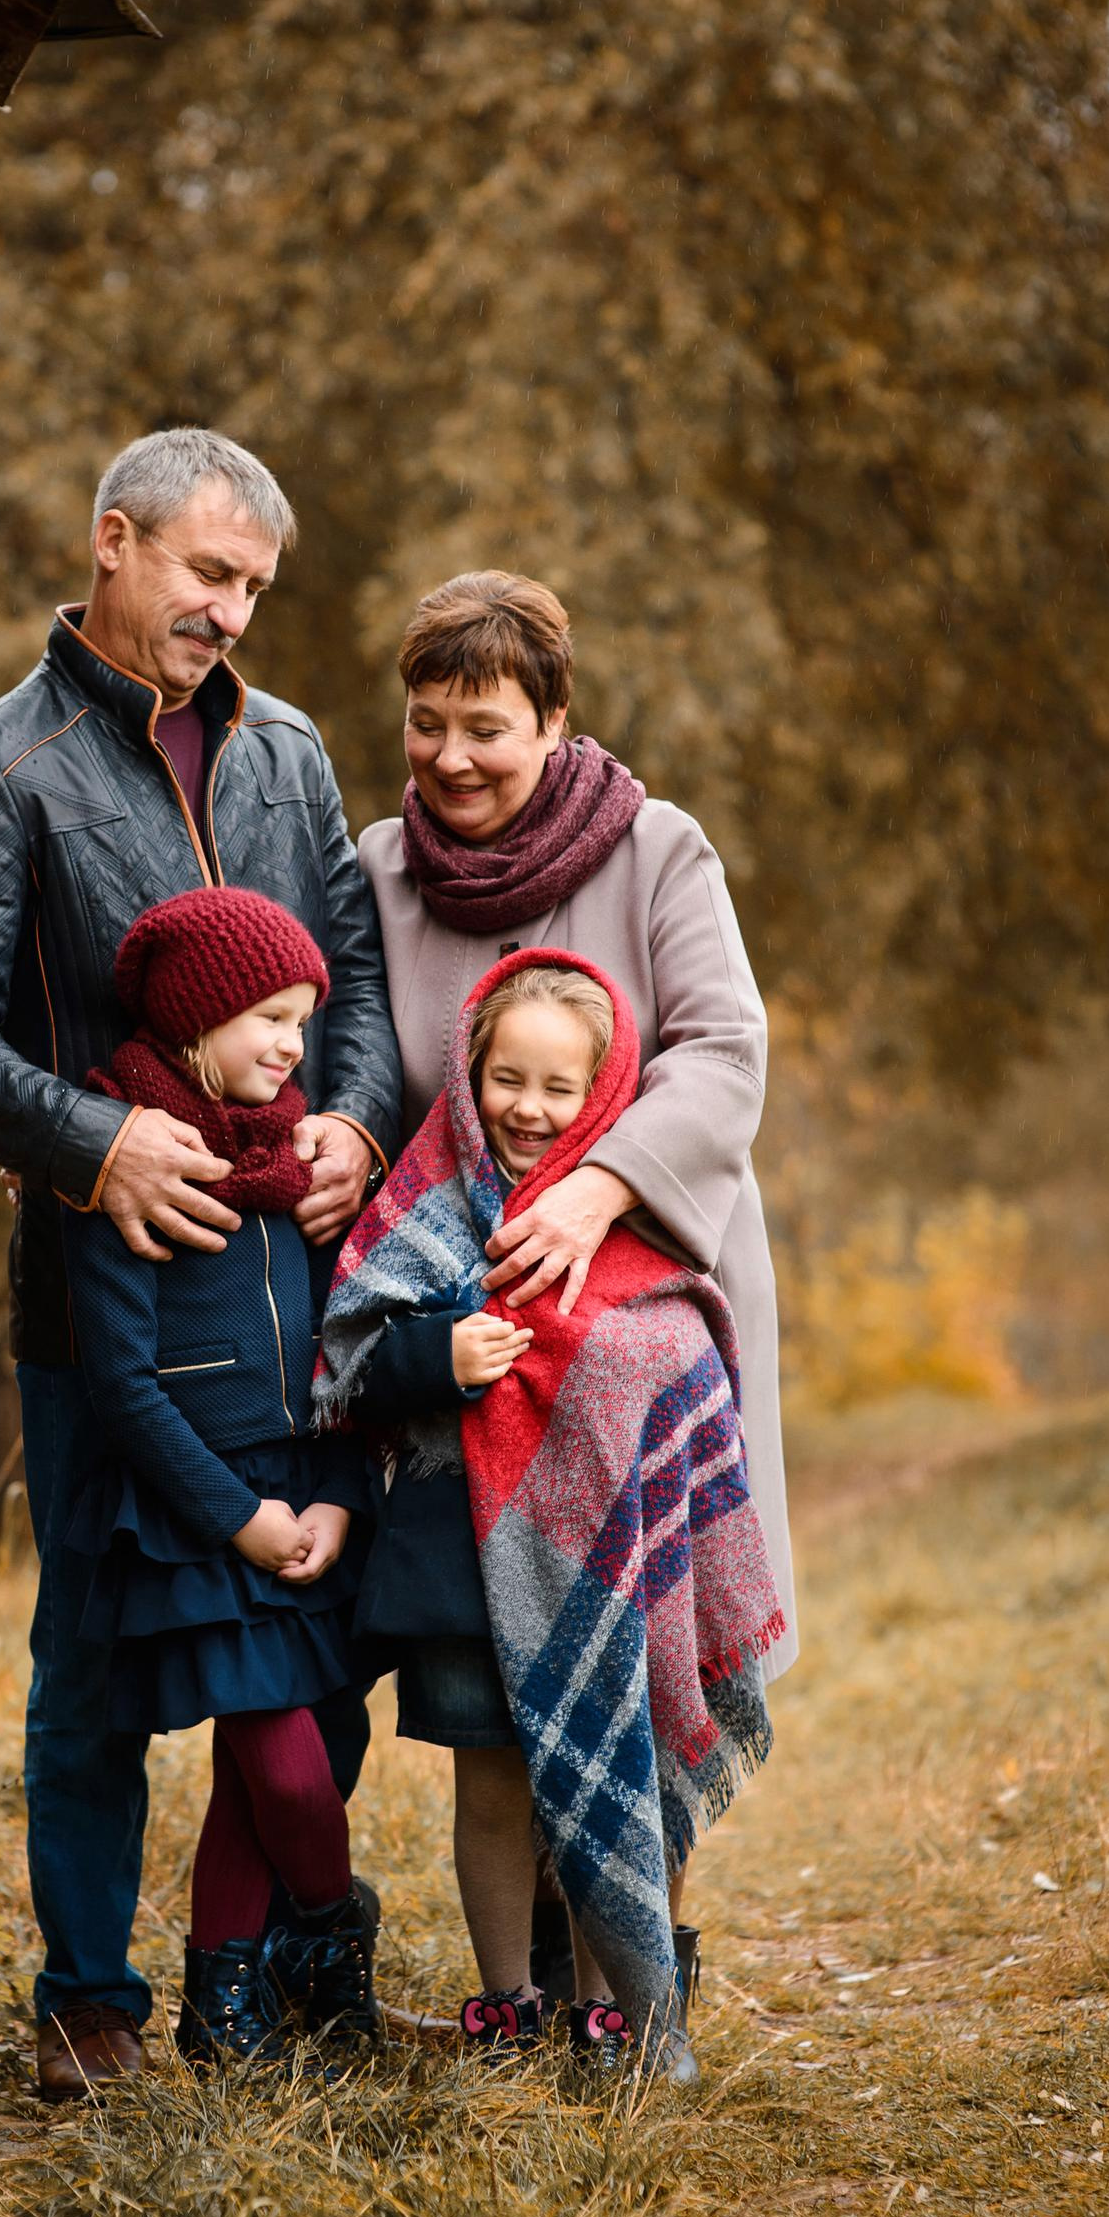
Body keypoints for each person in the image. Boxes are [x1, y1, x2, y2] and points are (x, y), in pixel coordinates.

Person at [0, 430, 401, 2101]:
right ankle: (86, 2003)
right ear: (113, 541)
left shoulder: (290, 754)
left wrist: (357, 1122)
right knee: (95, 1660)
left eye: (251, 587)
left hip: (292, 1298)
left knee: (313, 1647)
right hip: (103, 1300)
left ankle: (265, 1972)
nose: (228, 610)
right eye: (204, 571)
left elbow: (357, 988)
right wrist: (90, 1143)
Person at [353, 570, 798, 2023]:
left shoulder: (658, 852)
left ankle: (633, 1968)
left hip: (644, 1313)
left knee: (638, 1624)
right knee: (498, 1673)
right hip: (479, 1347)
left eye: (484, 726)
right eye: (426, 724)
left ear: (553, 723)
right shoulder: (376, 871)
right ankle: (528, 1975)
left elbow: (722, 1052)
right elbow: (362, 1069)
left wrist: (598, 1189)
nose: (451, 757)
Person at [320, 955, 785, 2077]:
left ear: (602, 1092)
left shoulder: (631, 1227)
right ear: (466, 1074)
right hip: (457, 1567)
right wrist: (439, 1356)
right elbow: (350, 1360)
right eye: (505, 1079)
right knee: (489, 1789)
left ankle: (601, 2008)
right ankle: (506, 2004)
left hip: (613, 1573)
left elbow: (676, 1376)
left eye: (557, 1087)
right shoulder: (425, 1205)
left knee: (605, 1776)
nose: (526, 1109)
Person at [64, 888, 379, 2064]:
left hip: (305, 1493)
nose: (295, 1045)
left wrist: (336, 1494)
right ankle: (330, 1930)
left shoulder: (294, 1161)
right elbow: (121, 1385)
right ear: (200, 1014)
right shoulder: (131, 1165)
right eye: (271, 1018)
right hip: (195, 1518)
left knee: (274, 1774)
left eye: (303, 1019)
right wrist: (237, 1518)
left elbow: (342, 1346)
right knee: (287, 1775)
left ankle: (222, 2000)